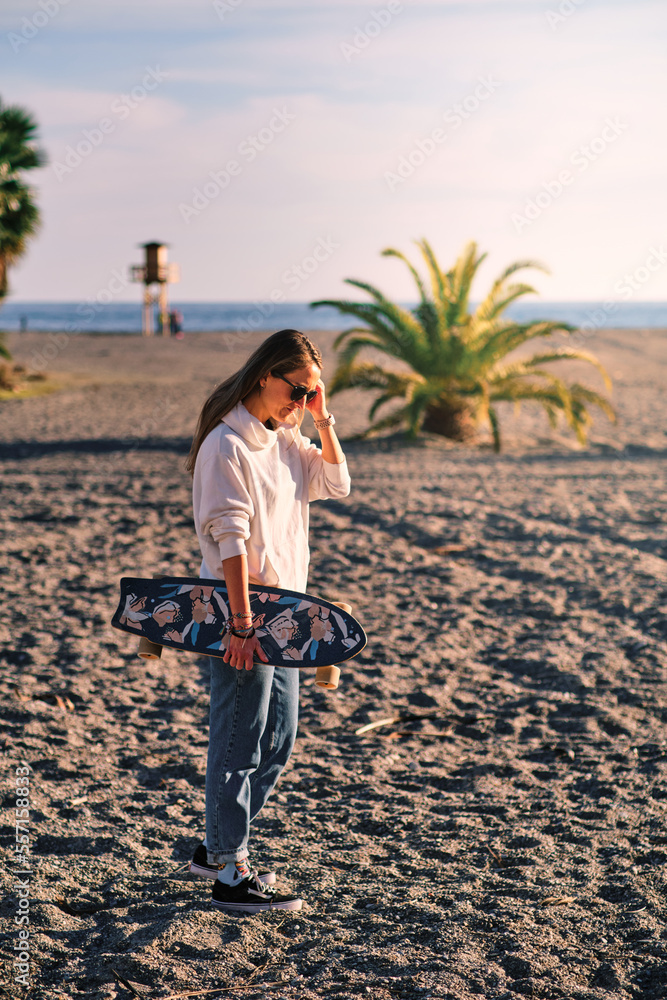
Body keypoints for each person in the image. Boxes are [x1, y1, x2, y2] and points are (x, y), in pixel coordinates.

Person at [184, 329, 351, 913]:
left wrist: (321, 418)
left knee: (279, 739)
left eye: (311, 392)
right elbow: (229, 539)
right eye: (296, 390)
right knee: (239, 741)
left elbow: (336, 483)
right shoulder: (226, 445)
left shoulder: (285, 440)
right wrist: (241, 623)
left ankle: (216, 845)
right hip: (246, 617)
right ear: (264, 375)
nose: (301, 401)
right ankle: (231, 870)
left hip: (286, 619)